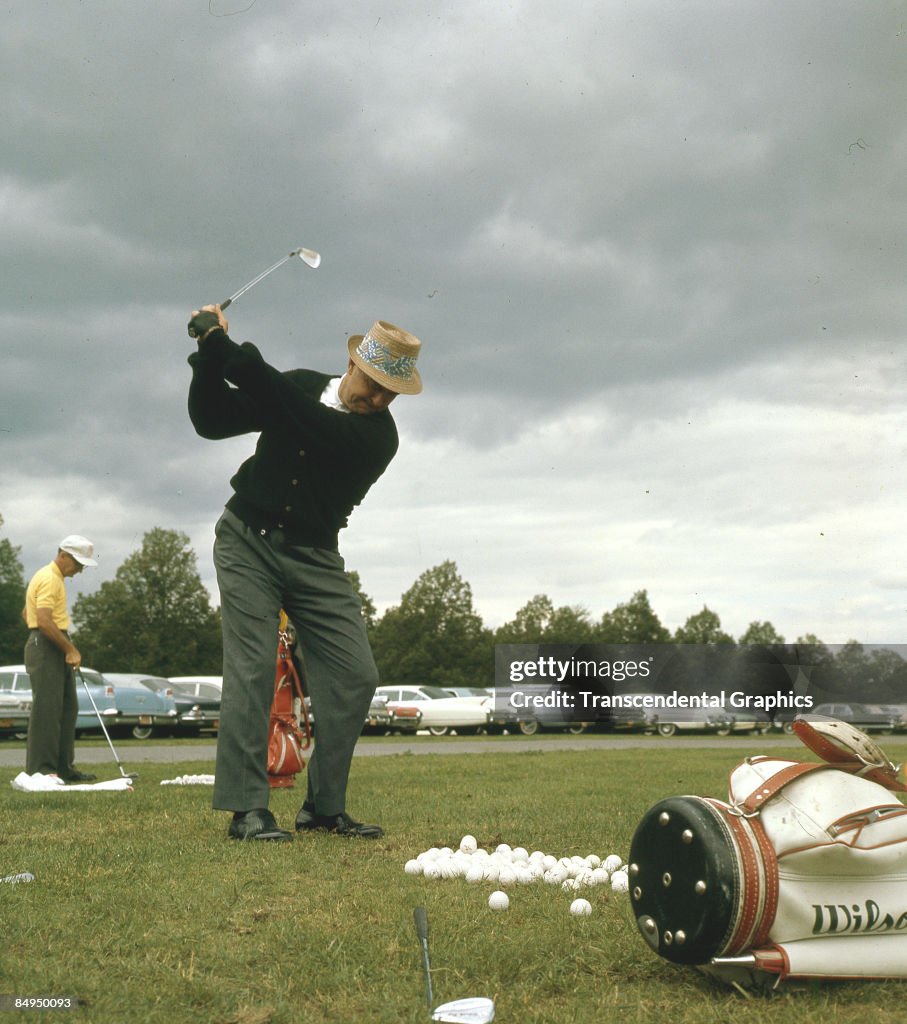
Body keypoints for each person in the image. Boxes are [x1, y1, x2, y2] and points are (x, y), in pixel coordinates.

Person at [186, 304, 422, 841]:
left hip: (316, 557)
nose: (380, 399)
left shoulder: (378, 438)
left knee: (356, 674)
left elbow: (303, 418)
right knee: (251, 668)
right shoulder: (297, 385)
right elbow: (212, 421)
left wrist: (228, 349)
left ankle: (323, 808)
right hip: (247, 541)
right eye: (376, 384)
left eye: (392, 393)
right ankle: (248, 810)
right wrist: (206, 359)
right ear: (353, 362)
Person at [23, 535, 99, 782]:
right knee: (48, 710)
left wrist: (62, 645)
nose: (79, 570)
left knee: (67, 708)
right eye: (78, 563)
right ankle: (42, 771)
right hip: (47, 645)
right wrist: (69, 649)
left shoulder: (54, 578)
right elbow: (43, 620)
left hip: (52, 642)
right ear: (63, 555)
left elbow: (27, 612)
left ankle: (63, 769)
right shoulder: (49, 578)